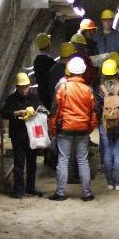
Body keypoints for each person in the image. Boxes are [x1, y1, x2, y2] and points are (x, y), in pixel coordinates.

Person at [49, 57, 99, 201]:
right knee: (82, 160)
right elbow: (94, 112)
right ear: (83, 71)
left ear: (69, 71)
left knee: (63, 160)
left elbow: (54, 111)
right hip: (83, 129)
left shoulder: (62, 87)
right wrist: (90, 128)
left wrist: (53, 130)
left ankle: (60, 193)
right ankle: (86, 193)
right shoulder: (88, 89)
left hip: (65, 129)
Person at [0, 72, 44, 198]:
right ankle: (18, 189)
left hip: (31, 136)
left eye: (26, 87)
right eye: (22, 87)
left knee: (32, 163)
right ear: (17, 87)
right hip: (18, 135)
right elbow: (4, 113)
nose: (24, 89)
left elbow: (42, 110)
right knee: (19, 163)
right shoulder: (12, 99)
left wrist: (37, 112)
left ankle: (30, 188)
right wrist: (16, 113)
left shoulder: (34, 98)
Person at [96, 59, 119, 190]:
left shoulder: (100, 89)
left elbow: (97, 108)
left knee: (107, 152)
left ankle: (110, 183)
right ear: (116, 71)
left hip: (104, 124)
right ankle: (118, 183)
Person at [32, 33, 56, 109]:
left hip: (42, 93)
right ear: (48, 44)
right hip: (49, 94)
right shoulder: (49, 61)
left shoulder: (37, 60)